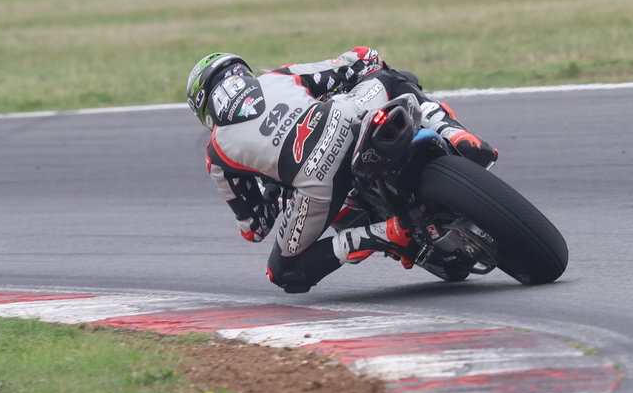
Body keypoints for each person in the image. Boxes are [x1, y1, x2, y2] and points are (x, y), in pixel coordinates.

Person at [187, 48, 497, 294]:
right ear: (243, 71)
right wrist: (360, 74)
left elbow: (255, 228)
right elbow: (359, 60)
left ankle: (384, 233)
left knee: (283, 272)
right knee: (389, 76)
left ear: (204, 109)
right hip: (346, 117)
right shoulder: (279, 77)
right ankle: (453, 133)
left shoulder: (217, 153)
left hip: (315, 182)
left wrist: (272, 190)